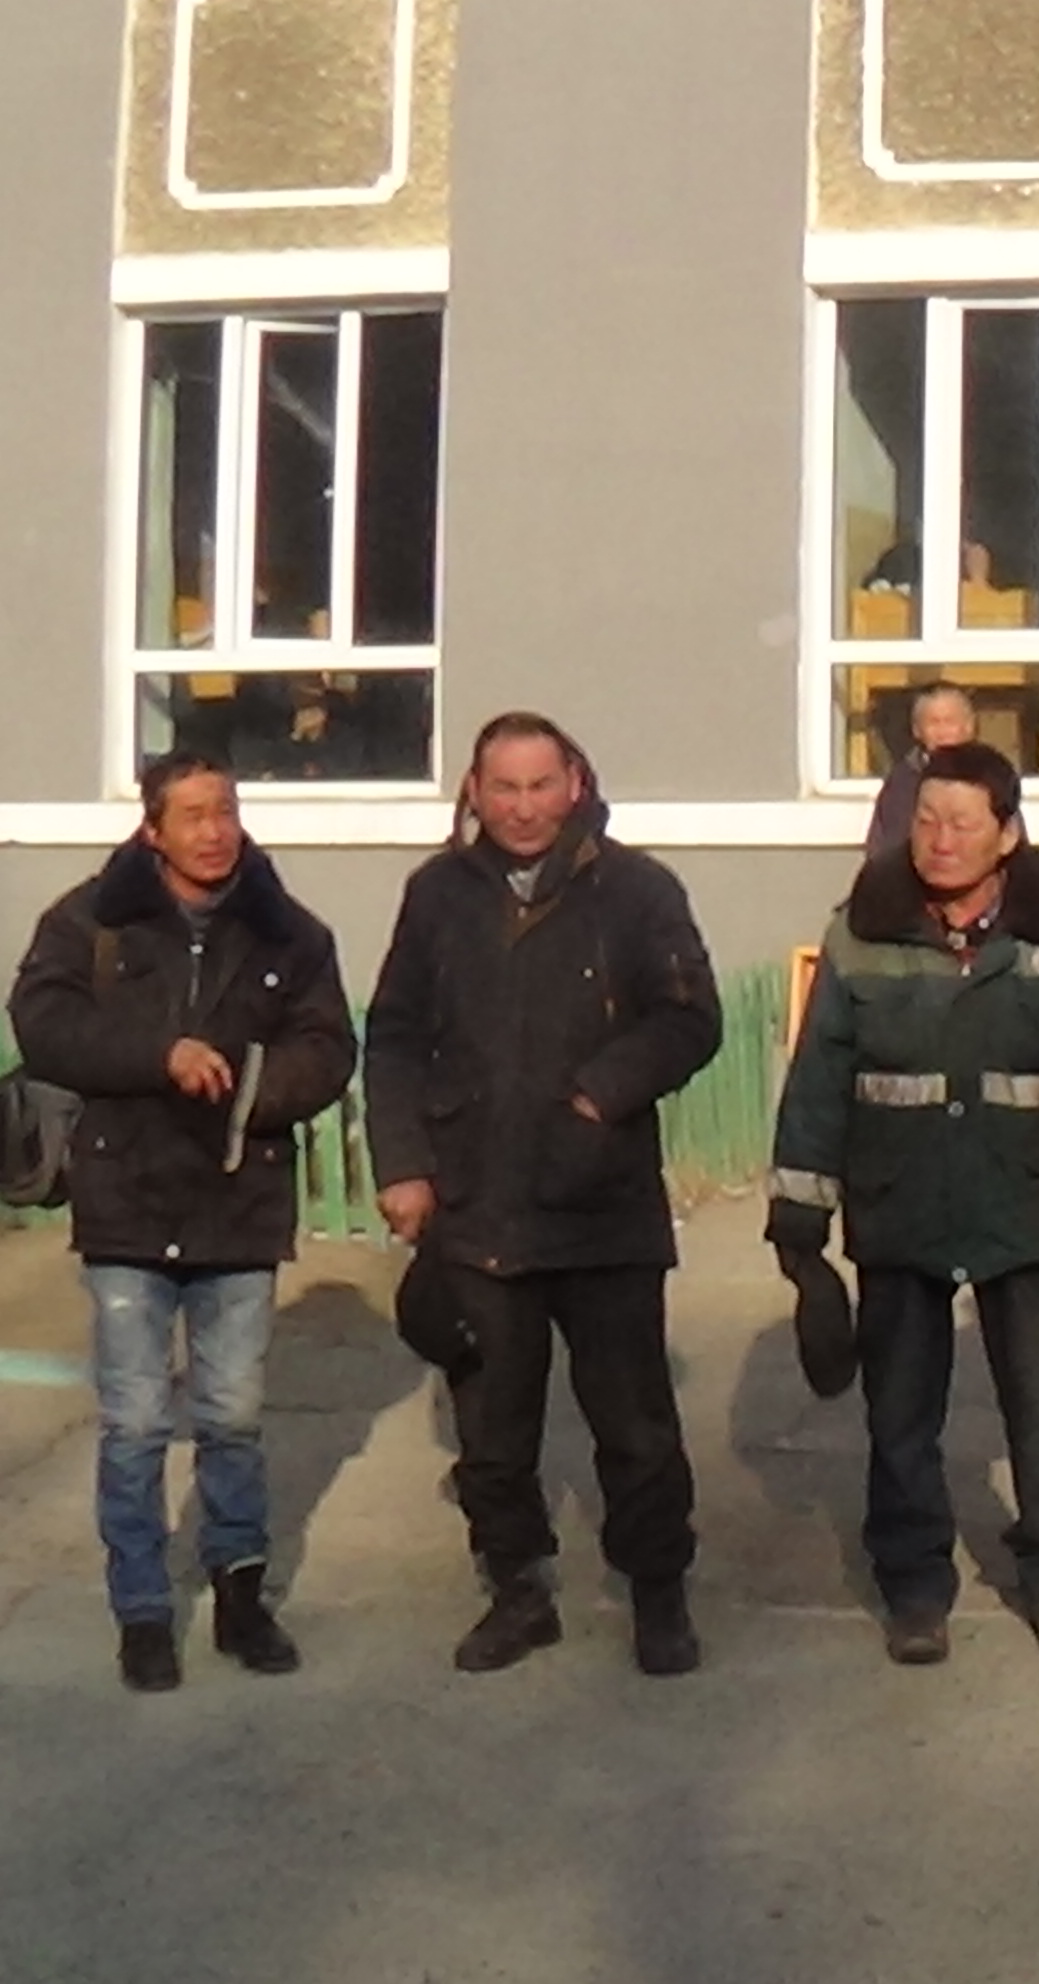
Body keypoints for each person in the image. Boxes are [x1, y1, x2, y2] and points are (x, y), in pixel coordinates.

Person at [366, 714, 725, 1678]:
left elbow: (690, 1019)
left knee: (636, 1429)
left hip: (601, 1203)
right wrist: (403, 1165)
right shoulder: (438, 894)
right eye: (504, 788)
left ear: (574, 784)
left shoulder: (638, 890)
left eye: (540, 786)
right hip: (478, 1204)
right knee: (492, 1433)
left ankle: (658, 1592)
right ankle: (518, 1590)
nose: (523, 809)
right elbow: (393, 1036)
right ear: (475, 793)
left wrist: (599, 1094)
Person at [9, 753, 355, 1692]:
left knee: (232, 1417)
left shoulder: (289, 931)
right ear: (152, 830)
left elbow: (328, 1047)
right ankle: (143, 1612)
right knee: (133, 1423)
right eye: (193, 815)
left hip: (239, 1200)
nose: (215, 831)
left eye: (226, 811)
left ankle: (242, 1596)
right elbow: (42, 1024)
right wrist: (159, 1053)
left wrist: (248, 1092)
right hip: (126, 1202)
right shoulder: (89, 922)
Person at [770, 742, 1039, 1668]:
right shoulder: (860, 932)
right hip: (903, 1205)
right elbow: (818, 1078)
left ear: (1008, 834)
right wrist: (800, 1219)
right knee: (900, 1416)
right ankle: (915, 1586)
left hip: (1030, 1205)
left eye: (963, 822)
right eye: (926, 819)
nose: (940, 839)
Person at [859, 683, 979, 863]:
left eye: (949, 722)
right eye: (933, 723)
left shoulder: (991, 777)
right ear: (917, 730)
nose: (942, 733)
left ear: (969, 727)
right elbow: (884, 850)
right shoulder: (902, 783)